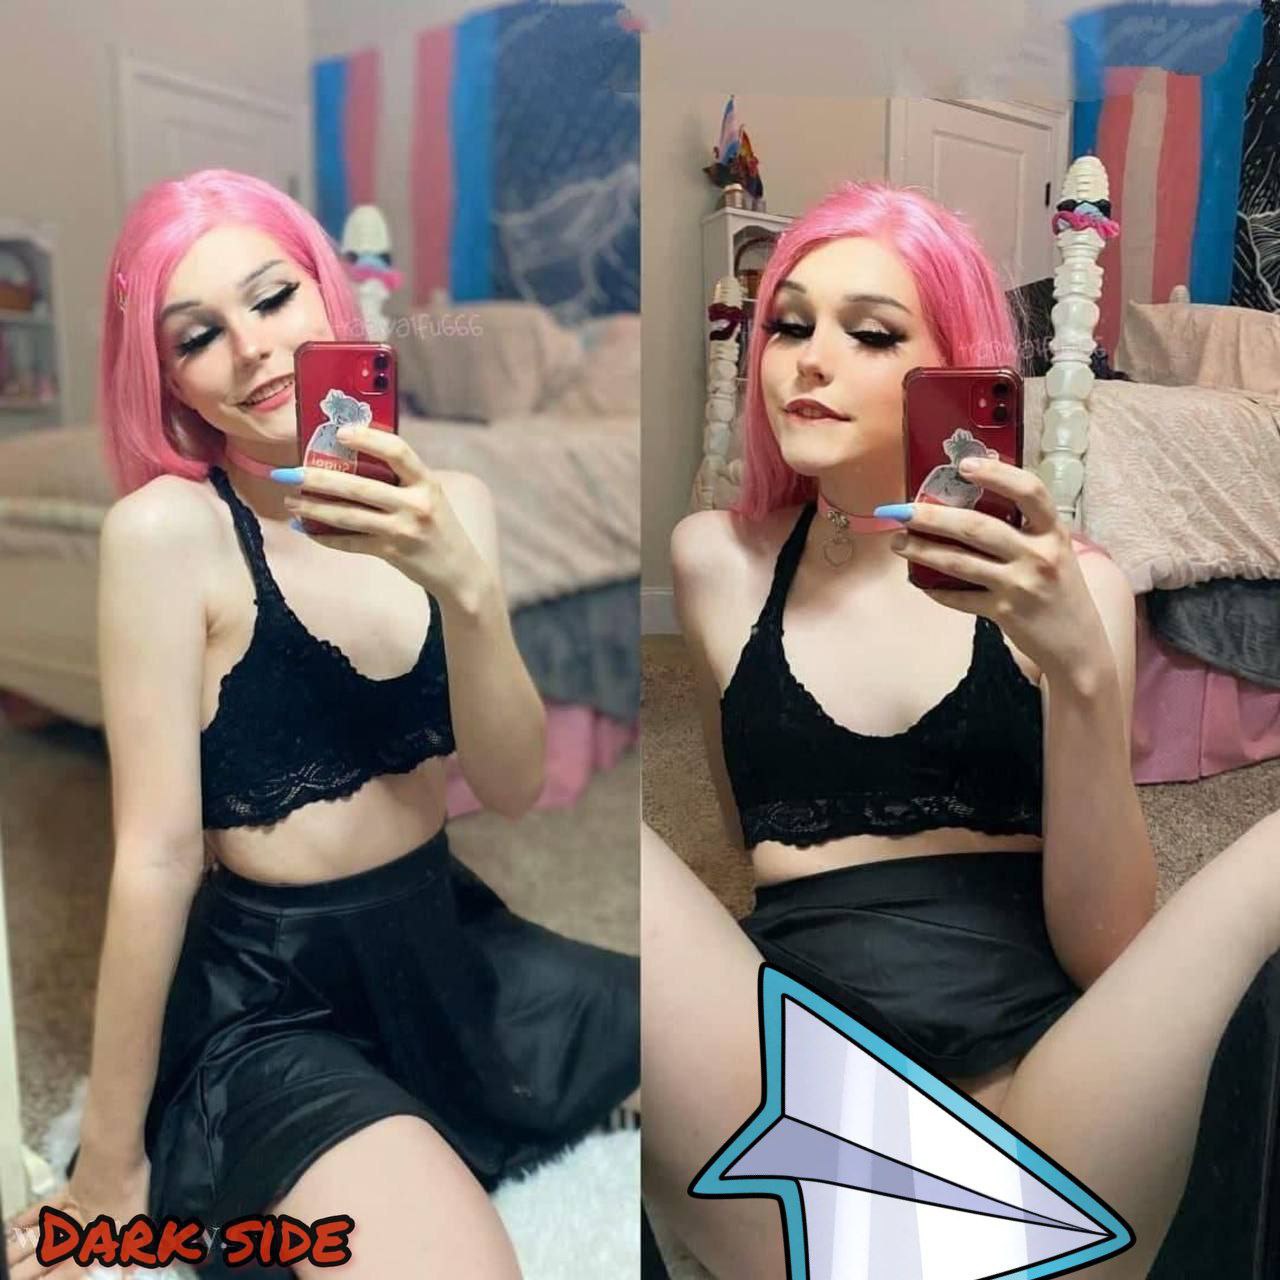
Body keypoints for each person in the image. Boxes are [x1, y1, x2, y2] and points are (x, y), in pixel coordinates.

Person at [640, 181, 1280, 1279]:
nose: (807, 360)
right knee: (630, 871)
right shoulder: (713, 559)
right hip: (798, 1066)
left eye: (871, 333)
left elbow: (1108, 950)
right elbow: (745, 829)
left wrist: (1082, 672)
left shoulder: (1072, 587)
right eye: (788, 323)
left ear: (958, 375)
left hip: (1035, 1086)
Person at [6, 169, 638, 1280]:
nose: (252, 348)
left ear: (328, 294)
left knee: (741, 1045)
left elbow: (508, 786)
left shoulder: (458, 505)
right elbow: (155, 855)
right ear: (168, 378)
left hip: (449, 943)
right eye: (198, 334)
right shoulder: (165, 535)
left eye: (271, 297)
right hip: (274, 999)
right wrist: (106, 1166)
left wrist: (466, 590)